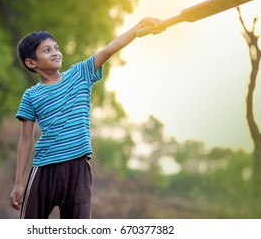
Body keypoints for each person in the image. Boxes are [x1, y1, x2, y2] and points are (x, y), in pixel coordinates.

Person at [9, 17, 160, 219]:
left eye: (56, 47)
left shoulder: (80, 74)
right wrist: (19, 182)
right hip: (45, 168)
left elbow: (110, 49)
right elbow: (26, 139)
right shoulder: (31, 95)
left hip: (78, 168)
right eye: (47, 50)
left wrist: (136, 28)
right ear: (31, 62)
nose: (55, 52)